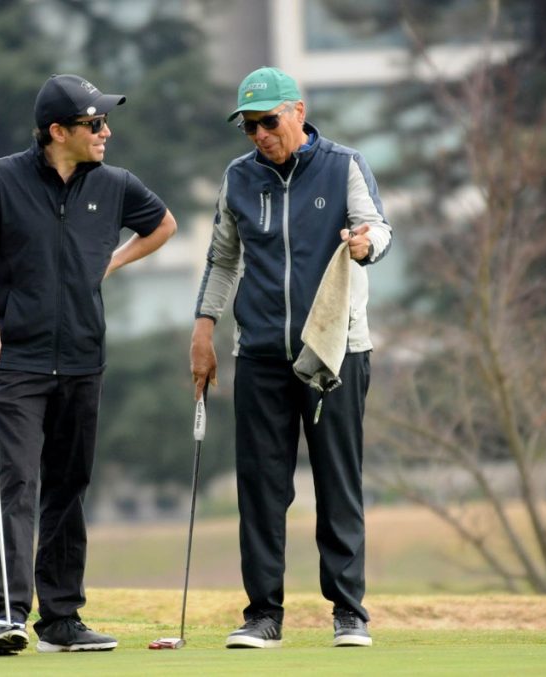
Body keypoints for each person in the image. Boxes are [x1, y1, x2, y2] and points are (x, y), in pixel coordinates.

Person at [0, 73, 176, 655]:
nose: (106, 132)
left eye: (104, 122)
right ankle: (7, 615)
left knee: (68, 488)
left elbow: (163, 226)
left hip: (82, 358)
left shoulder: (116, 185)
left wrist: (111, 263)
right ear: (58, 131)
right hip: (17, 361)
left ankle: (61, 620)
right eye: (94, 123)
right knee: (18, 483)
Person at [190, 66, 392, 649]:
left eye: (268, 121)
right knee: (261, 488)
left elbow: (378, 230)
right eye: (249, 126)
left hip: (334, 351)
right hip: (259, 353)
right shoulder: (238, 177)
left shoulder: (343, 165)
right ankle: (263, 616)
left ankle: (349, 612)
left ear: (298, 112)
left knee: (337, 482)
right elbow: (222, 260)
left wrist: (364, 245)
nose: (259, 134)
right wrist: (203, 330)